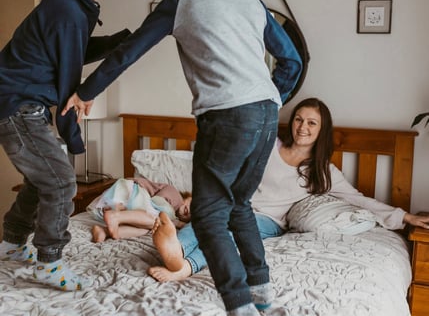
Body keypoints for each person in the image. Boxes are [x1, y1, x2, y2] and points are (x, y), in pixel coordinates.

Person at [61, 0, 302, 314]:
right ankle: (262, 295)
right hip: (266, 114)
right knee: (240, 205)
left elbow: (127, 52)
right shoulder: (251, 1)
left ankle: (240, 306)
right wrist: (272, 100)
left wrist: (86, 92)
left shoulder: (182, 0)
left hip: (227, 116)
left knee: (208, 216)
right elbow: (292, 61)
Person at [146, 97, 429, 284]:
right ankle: (176, 247)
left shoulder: (322, 171)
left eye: (311, 122)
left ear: (321, 129)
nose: (302, 127)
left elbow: (358, 199)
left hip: (267, 220)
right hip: (236, 205)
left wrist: (405, 217)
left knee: (231, 234)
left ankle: (185, 266)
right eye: (298, 119)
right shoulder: (268, 146)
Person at [0, 0, 130, 291]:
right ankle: (49, 262)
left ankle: (13, 242)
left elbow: (72, 50)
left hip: (21, 104)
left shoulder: (70, 6)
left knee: (42, 178)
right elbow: (69, 75)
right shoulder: (68, 8)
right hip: (18, 105)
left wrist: (121, 41)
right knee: (61, 182)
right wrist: (74, 127)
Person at [89, 177, 191, 244]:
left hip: (118, 208)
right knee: (157, 220)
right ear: (190, 197)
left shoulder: (174, 213)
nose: (190, 211)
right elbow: (156, 203)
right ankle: (115, 216)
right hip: (127, 193)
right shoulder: (176, 196)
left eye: (193, 215)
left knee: (149, 228)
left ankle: (103, 231)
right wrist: (176, 223)